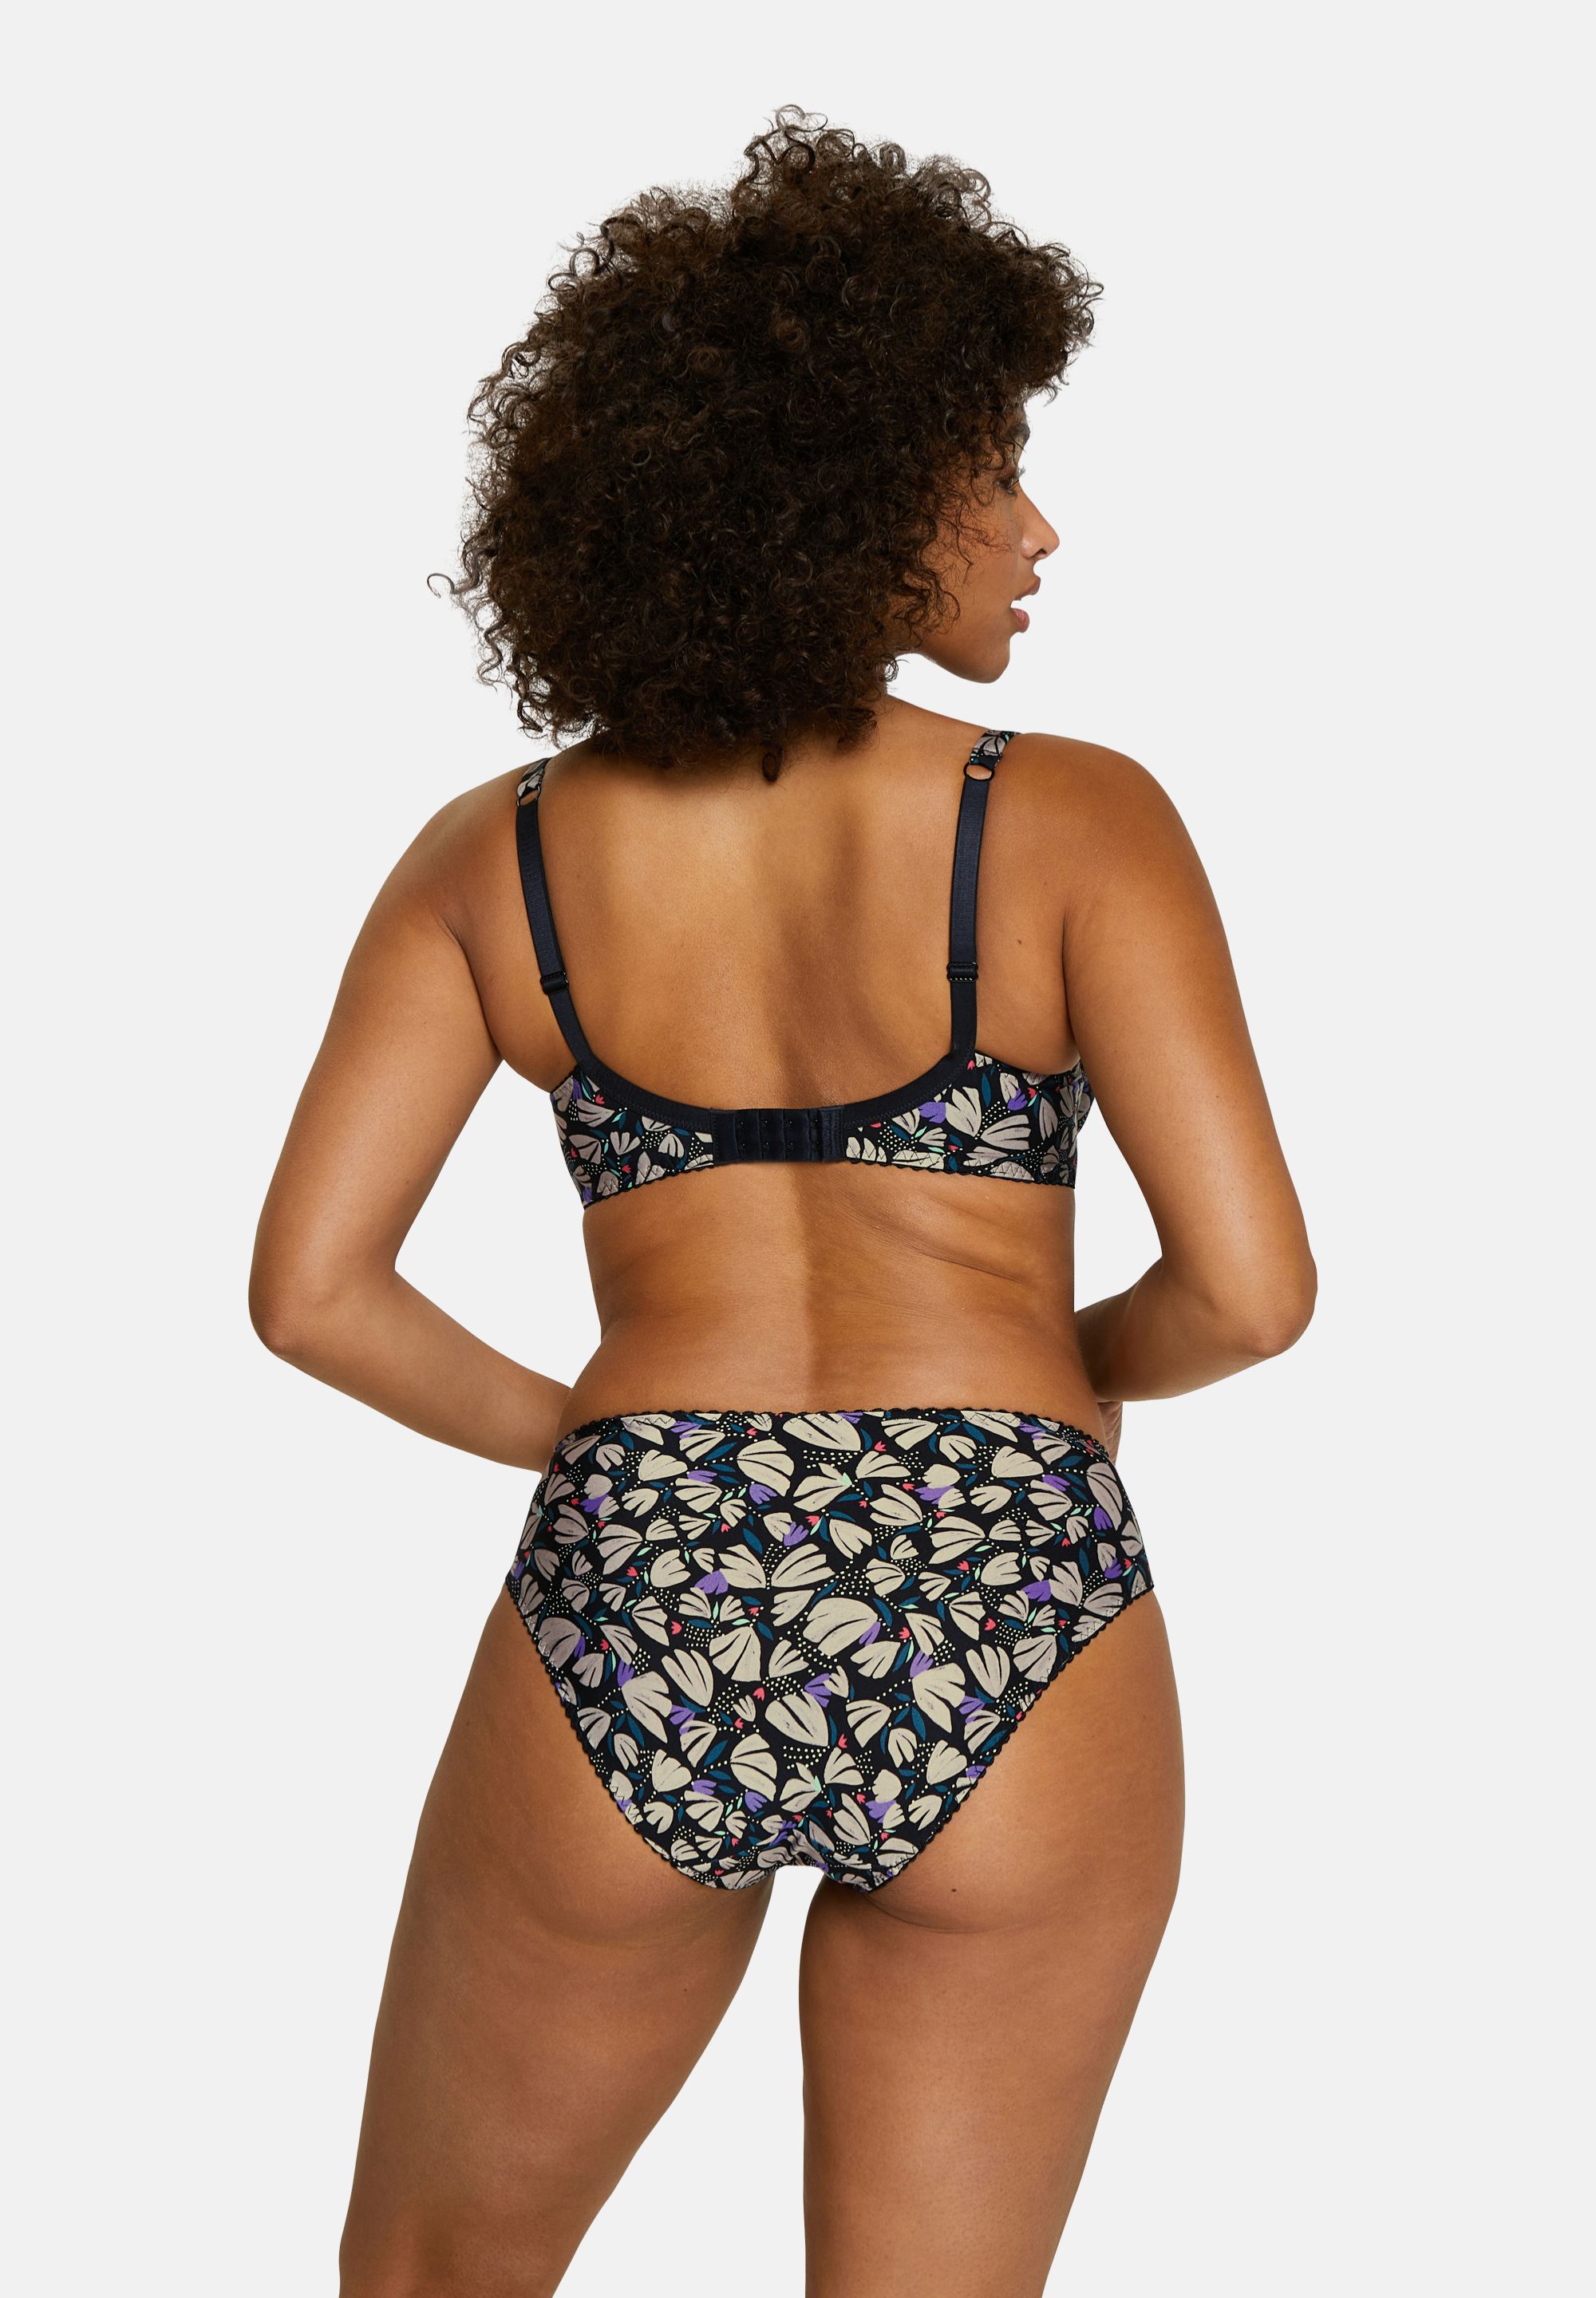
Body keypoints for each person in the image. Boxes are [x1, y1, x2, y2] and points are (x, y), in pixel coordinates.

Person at [251, 109, 1315, 2298]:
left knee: (430, 2276)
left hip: (644, 1584)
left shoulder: (501, 857)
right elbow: (1252, 1291)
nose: (1038, 528)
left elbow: (314, 1291)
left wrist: (609, 1437)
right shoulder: (1077, 826)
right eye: (991, 473)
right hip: (1012, 1585)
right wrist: (1057, 1376)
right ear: (848, 505)